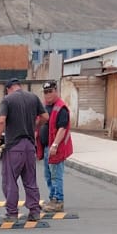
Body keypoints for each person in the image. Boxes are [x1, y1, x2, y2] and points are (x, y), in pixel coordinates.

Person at [0, 79, 45, 220]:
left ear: (8, 88)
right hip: (29, 146)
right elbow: (45, 116)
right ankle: (34, 211)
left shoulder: (8, 100)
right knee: (30, 181)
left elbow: (2, 121)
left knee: (10, 181)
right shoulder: (33, 97)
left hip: (14, 147)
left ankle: (12, 213)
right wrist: (35, 127)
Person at [39, 80, 73, 211]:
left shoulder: (61, 107)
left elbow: (62, 128)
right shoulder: (45, 107)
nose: (48, 95)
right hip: (47, 146)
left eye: (50, 92)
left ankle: (58, 201)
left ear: (56, 91)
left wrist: (55, 145)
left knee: (56, 175)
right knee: (48, 175)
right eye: (45, 92)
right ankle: (52, 199)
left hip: (56, 148)